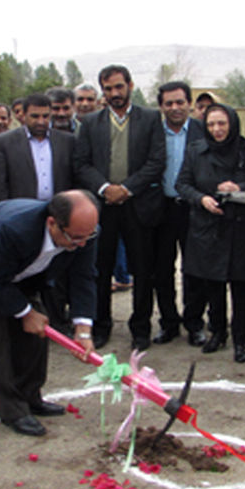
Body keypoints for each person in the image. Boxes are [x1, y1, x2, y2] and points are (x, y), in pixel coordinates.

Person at [0, 191, 98, 436]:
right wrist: (24, 312)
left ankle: (31, 397)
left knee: (37, 334)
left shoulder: (84, 231)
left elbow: (83, 277)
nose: (83, 244)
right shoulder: (14, 229)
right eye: (75, 238)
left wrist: (83, 329)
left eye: (88, 236)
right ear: (52, 223)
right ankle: (13, 411)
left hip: (23, 269)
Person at [74, 65, 166, 350]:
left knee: (142, 269)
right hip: (102, 207)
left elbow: (156, 161)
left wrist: (126, 189)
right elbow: (81, 164)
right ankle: (101, 326)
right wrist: (105, 189)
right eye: (109, 88)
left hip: (138, 205)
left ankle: (140, 329)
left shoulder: (150, 118)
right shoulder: (90, 123)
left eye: (119, 87)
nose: (114, 93)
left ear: (130, 85)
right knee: (100, 269)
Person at [176, 104, 245, 362]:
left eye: (222, 124)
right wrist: (201, 199)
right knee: (212, 284)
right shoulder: (196, 150)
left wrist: (239, 187)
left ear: (232, 123)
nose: (216, 130)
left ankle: (241, 340)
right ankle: (217, 333)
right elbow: (182, 184)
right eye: (211, 125)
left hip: (242, 229)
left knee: (242, 287)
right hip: (208, 227)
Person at [153, 81, 207, 346]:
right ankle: (168, 323)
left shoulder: (203, 130)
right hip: (160, 208)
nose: (175, 108)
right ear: (161, 106)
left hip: (193, 208)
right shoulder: (152, 131)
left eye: (180, 102)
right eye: (168, 103)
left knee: (194, 268)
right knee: (161, 270)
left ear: (189, 103)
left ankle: (195, 323)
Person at [0, 94, 74, 201]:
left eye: (45, 116)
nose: (41, 121)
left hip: (59, 209)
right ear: (24, 115)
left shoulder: (67, 141)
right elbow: (0, 185)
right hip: (21, 210)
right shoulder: (6, 142)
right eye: (35, 116)